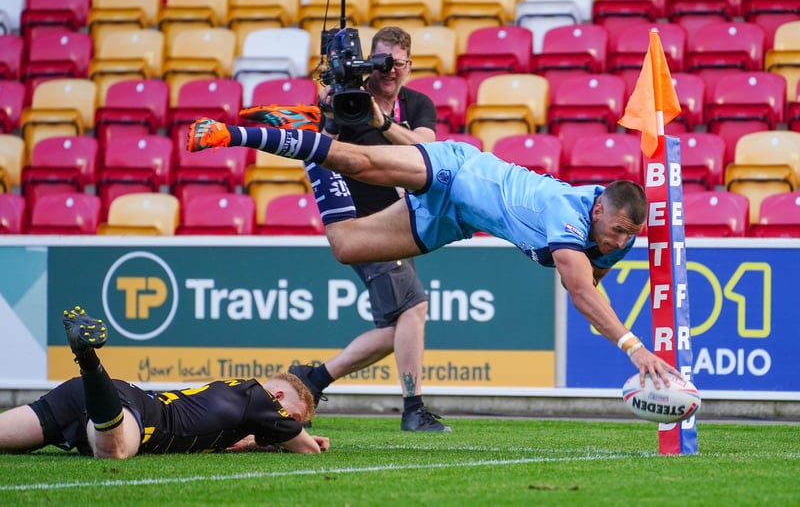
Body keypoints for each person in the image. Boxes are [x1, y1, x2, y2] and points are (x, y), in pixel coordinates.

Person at [185, 117, 681, 388]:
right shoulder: (567, 212)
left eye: (627, 236)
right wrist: (635, 350)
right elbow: (578, 289)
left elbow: (593, 292)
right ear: (598, 210)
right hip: (456, 171)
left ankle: (311, 151)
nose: (619, 243)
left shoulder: (616, 235)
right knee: (357, 162)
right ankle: (235, 134)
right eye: (615, 231)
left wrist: (628, 341)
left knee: (346, 245)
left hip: (455, 220)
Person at [241, 27, 449, 432]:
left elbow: (424, 151)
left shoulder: (417, 103)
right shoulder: (347, 97)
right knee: (414, 309)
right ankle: (412, 408)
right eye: (382, 63)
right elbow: (320, 151)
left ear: (410, 65)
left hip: (397, 222)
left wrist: (381, 120)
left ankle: (314, 379)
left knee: (399, 326)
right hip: (361, 223)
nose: (390, 72)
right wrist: (330, 115)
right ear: (369, 61)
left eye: (398, 64)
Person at [0, 306, 330, 458]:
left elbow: (245, 441)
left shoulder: (242, 403)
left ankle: (89, 370)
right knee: (114, 453)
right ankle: (88, 359)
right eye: (295, 416)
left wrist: (269, 442)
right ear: (280, 394)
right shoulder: (260, 398)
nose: (292, 422)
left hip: (101, 397)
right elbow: (308, 452)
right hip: (133, 413)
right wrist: (306, 439)